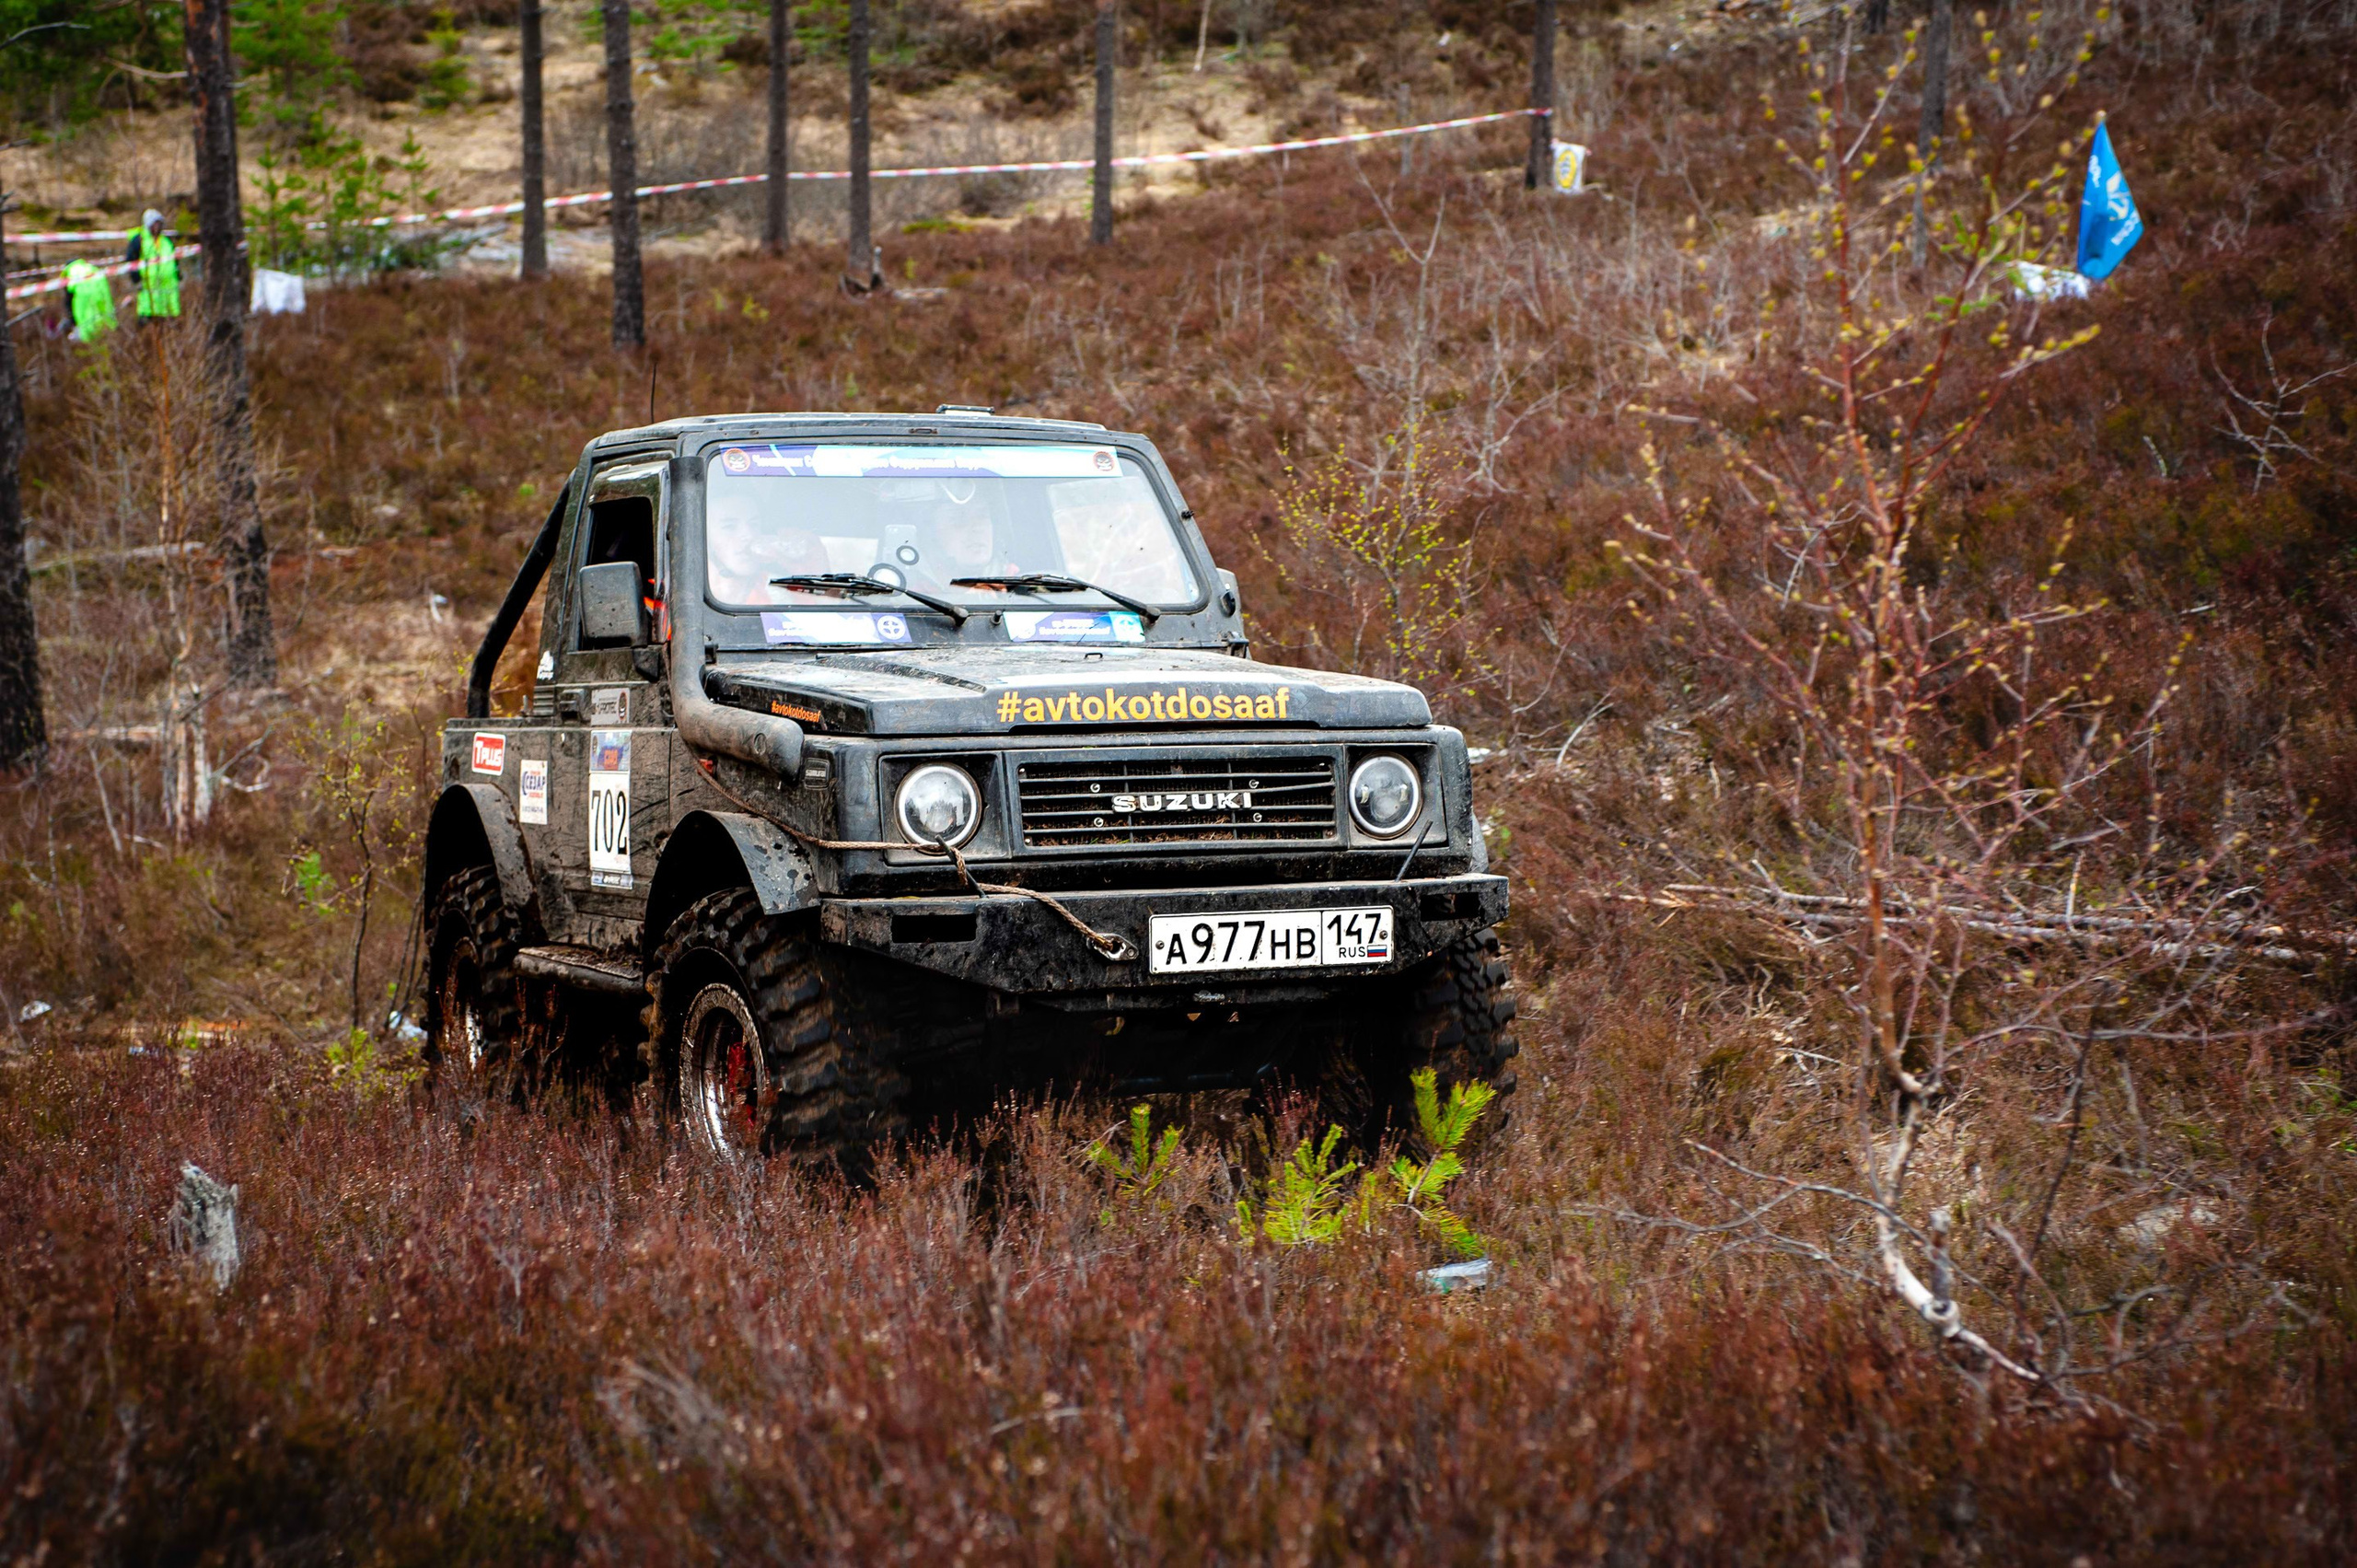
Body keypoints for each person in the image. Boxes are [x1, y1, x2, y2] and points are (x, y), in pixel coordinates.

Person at [122, 209, 180, 321]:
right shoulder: (139, 240)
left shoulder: (167, 242)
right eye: (155, 224)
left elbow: (175, 260)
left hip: (168, 289)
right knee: (148, 317)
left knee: (168, 319)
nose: (157, 227)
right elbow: (131, 261)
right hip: (148, 287)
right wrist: (136, 279)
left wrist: (178, 274)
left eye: (159, 224)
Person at [64, 259, 116, 343]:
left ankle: (90, 345)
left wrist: (72, 321)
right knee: (103, 323)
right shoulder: (92, 268)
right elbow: (105, 290)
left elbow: (68, 299)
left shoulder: (70, 272)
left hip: (83, 303)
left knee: (88, 329)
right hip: (101, 298)